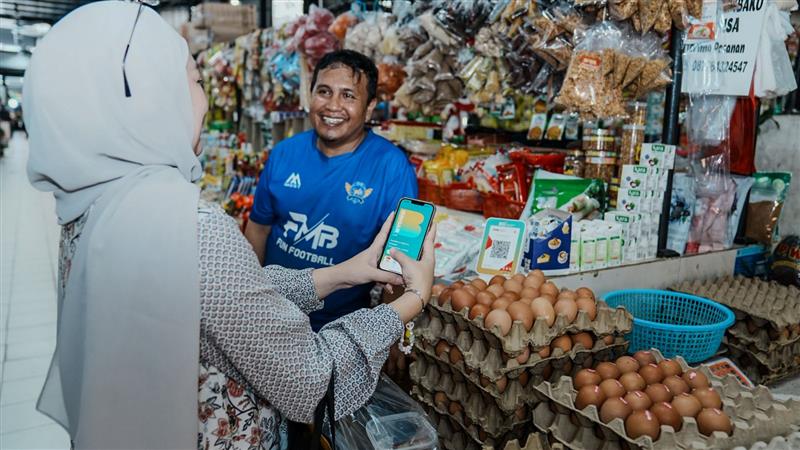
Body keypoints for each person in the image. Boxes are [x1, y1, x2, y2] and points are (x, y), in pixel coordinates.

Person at [23, 3, 434, 449]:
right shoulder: (190, 228)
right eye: (196, 82)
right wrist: (412, 300)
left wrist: (341, 274)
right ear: (157, 98)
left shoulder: (93, 207)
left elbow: (230, 298)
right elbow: (312, 376)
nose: (204, 100)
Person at [244, 50, 418, 331]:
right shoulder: (284, 153)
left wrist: (392, 329)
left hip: (340, 329)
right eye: (324, 92)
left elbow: (400, 261)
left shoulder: (393, 169)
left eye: (348, 95)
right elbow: (258, 229)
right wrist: (247, 299)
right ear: (310, 95)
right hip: (271, 314)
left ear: (370, 107)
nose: (333, 106)